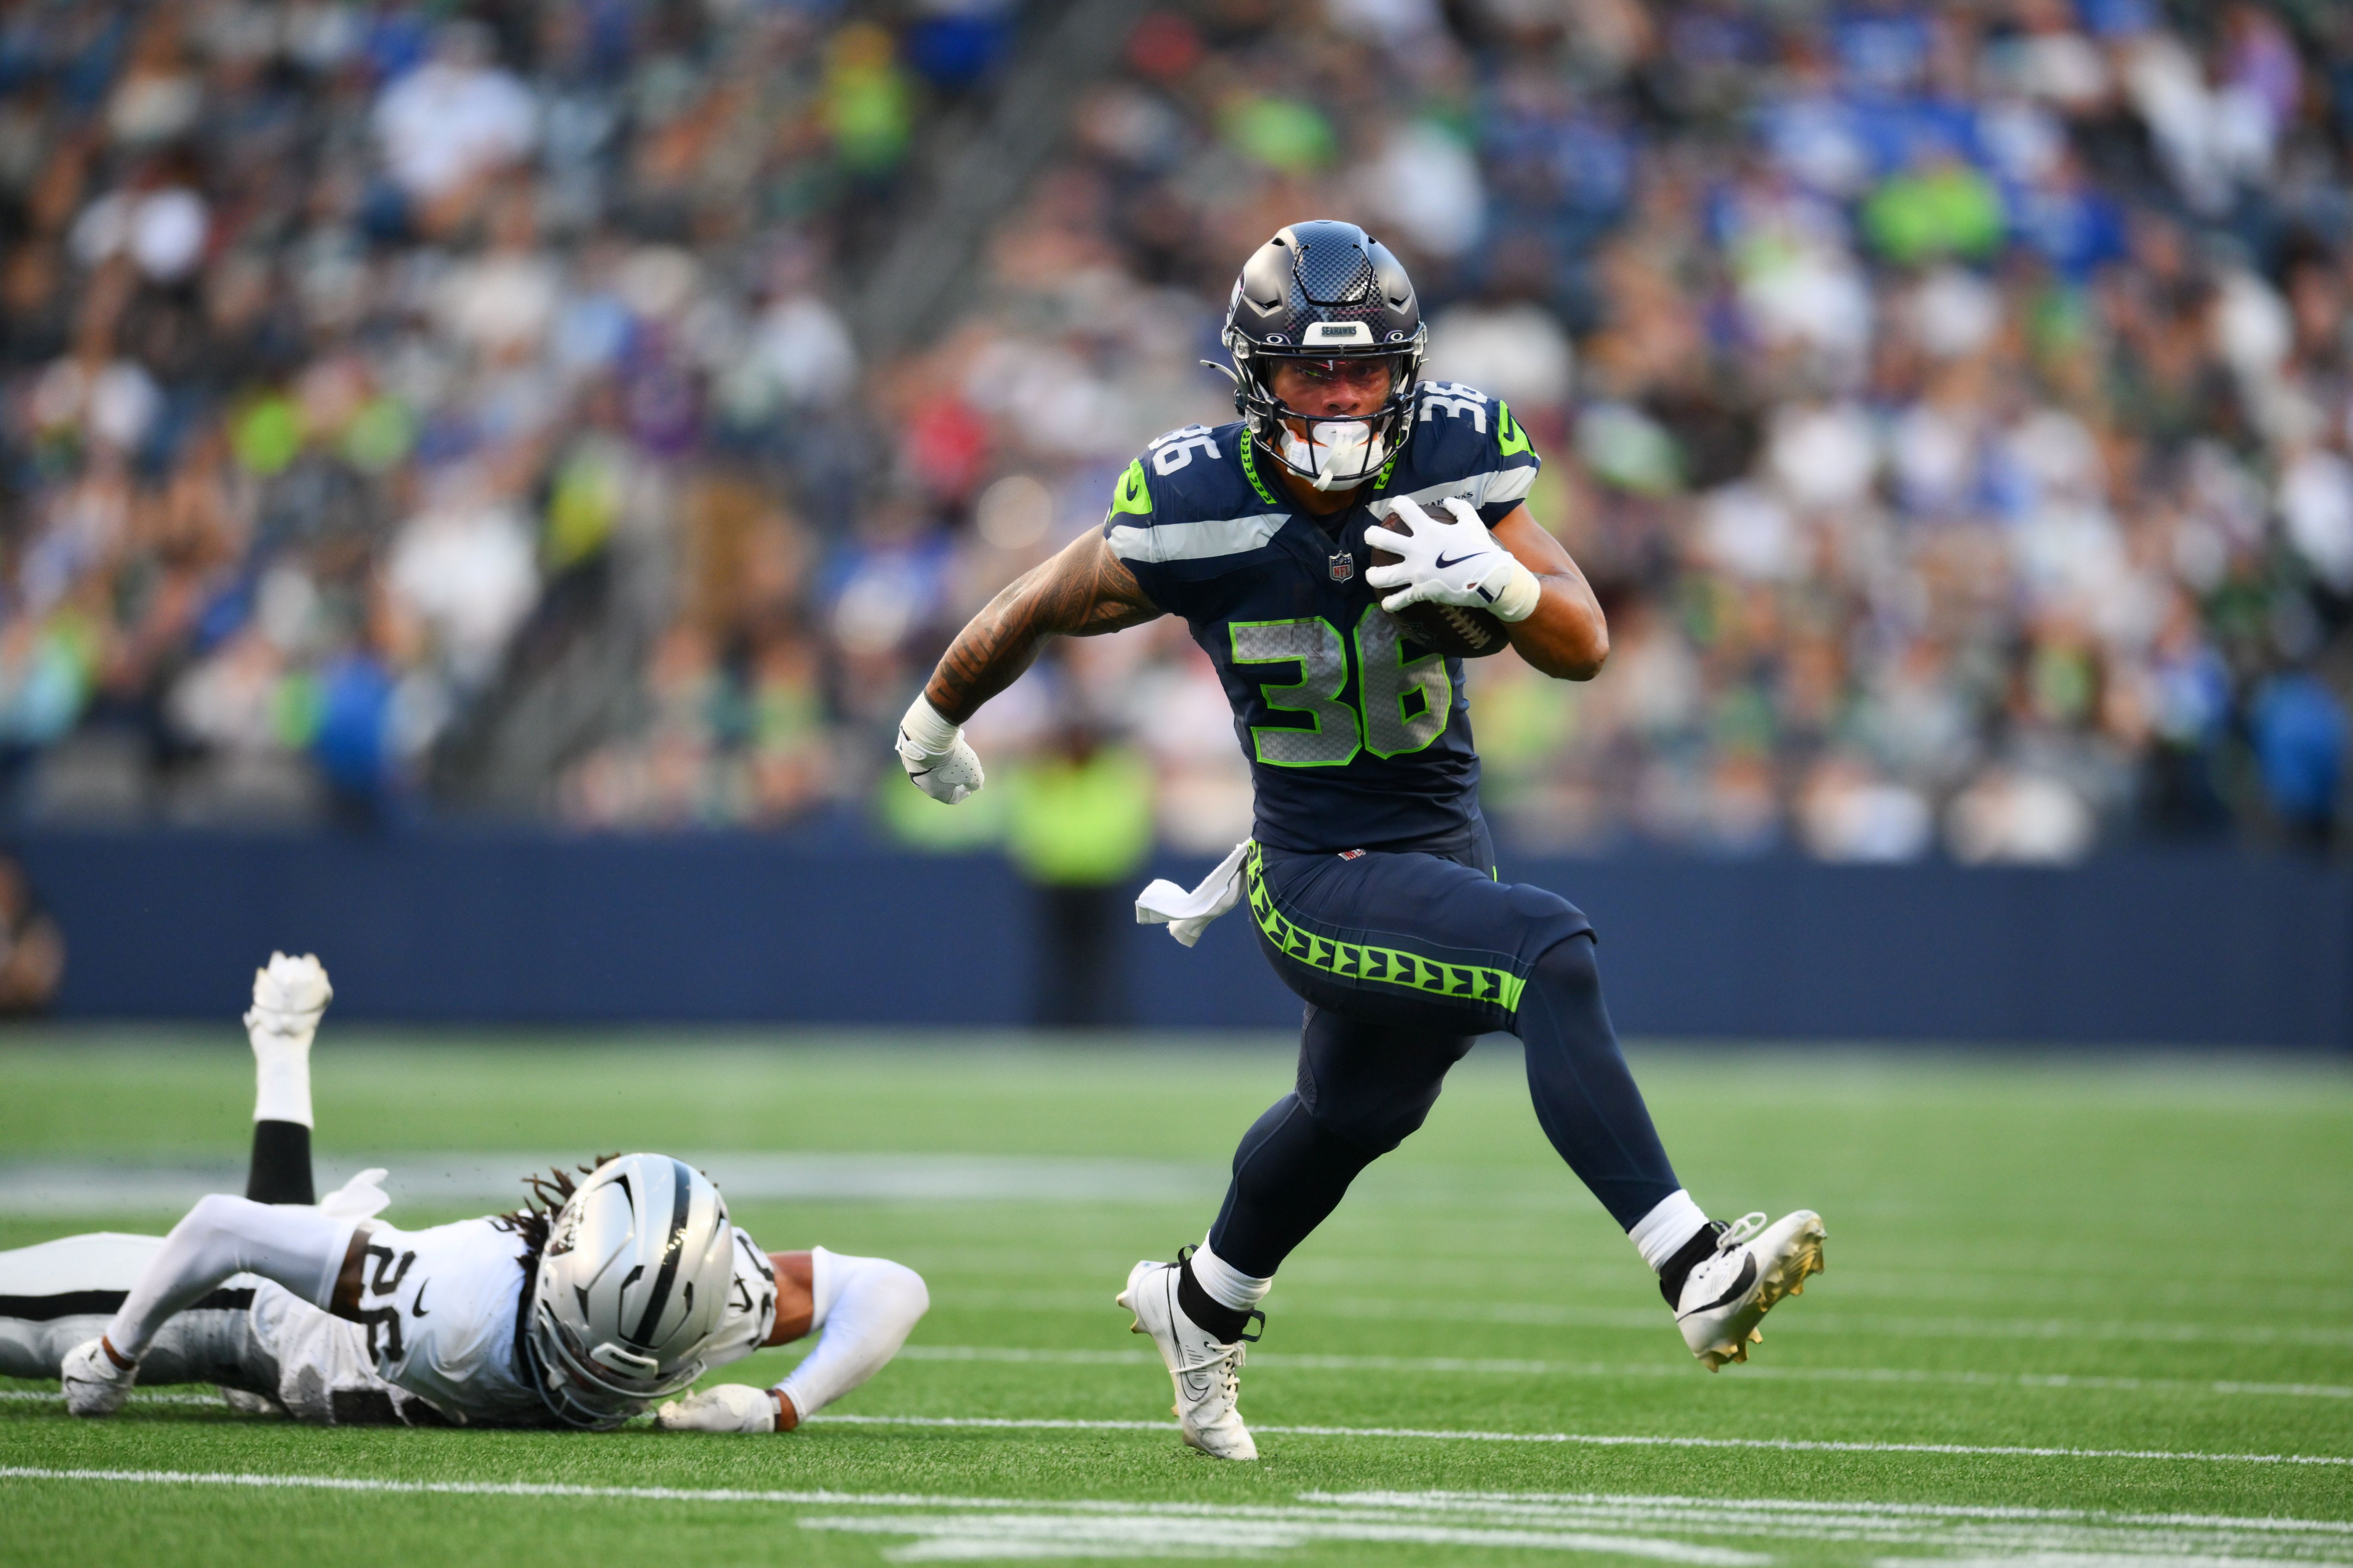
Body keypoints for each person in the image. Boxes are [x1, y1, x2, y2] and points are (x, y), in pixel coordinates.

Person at [895, 221, 1825, 1461]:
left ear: (1406, 370)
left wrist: (1500, 583)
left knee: (1354, 1110)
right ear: (1253, 376)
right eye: (1308, 370)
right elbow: (1036, 604)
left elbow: (1583, 640)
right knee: (1546, 953)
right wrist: (934, 717)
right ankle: (1692, 1266)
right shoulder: (1197, 500)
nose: (1340, 395)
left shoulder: (1457, 457)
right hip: (1313, 873)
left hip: (1441, 852)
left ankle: (1200, 1299)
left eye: (1364, 369)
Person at [0, 953, 926, 1433]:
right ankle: (280, 1052)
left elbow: (894, 1289)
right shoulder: (455, 1295)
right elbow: (219, 1236)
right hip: (259, 1319)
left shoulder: (698, 1293)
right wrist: (118, 1354)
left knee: (289, 1271)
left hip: (337, 1324)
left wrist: (780, 1406)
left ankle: (283, 1048)